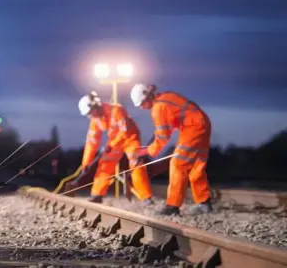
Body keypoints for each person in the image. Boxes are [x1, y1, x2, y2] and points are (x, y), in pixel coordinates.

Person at [130, 84, 212, 216]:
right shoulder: (165, 97)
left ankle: (172, 206)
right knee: (197, 165)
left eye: (141, 104)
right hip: (202, 122)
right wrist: (150, 147)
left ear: (147, 98)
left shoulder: (158, 108)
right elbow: (170, 124)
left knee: (178, 164)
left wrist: (146, 152)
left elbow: (162, 137)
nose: (141, 107)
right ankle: (204, 203)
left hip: (192, 127)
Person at [75, 91, 153, 204]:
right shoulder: (96, 119)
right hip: (115, 142)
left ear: (96, 105)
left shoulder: (117, 110)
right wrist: (86, 163)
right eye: (89, 114)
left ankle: (146, 197)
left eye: (91, 112)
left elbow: (124, 130)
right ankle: (97, 195)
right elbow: (91, 142)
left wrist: (111, 145)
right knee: (105, 163)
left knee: (136, 163)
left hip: (130, 138)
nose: (91, 115)